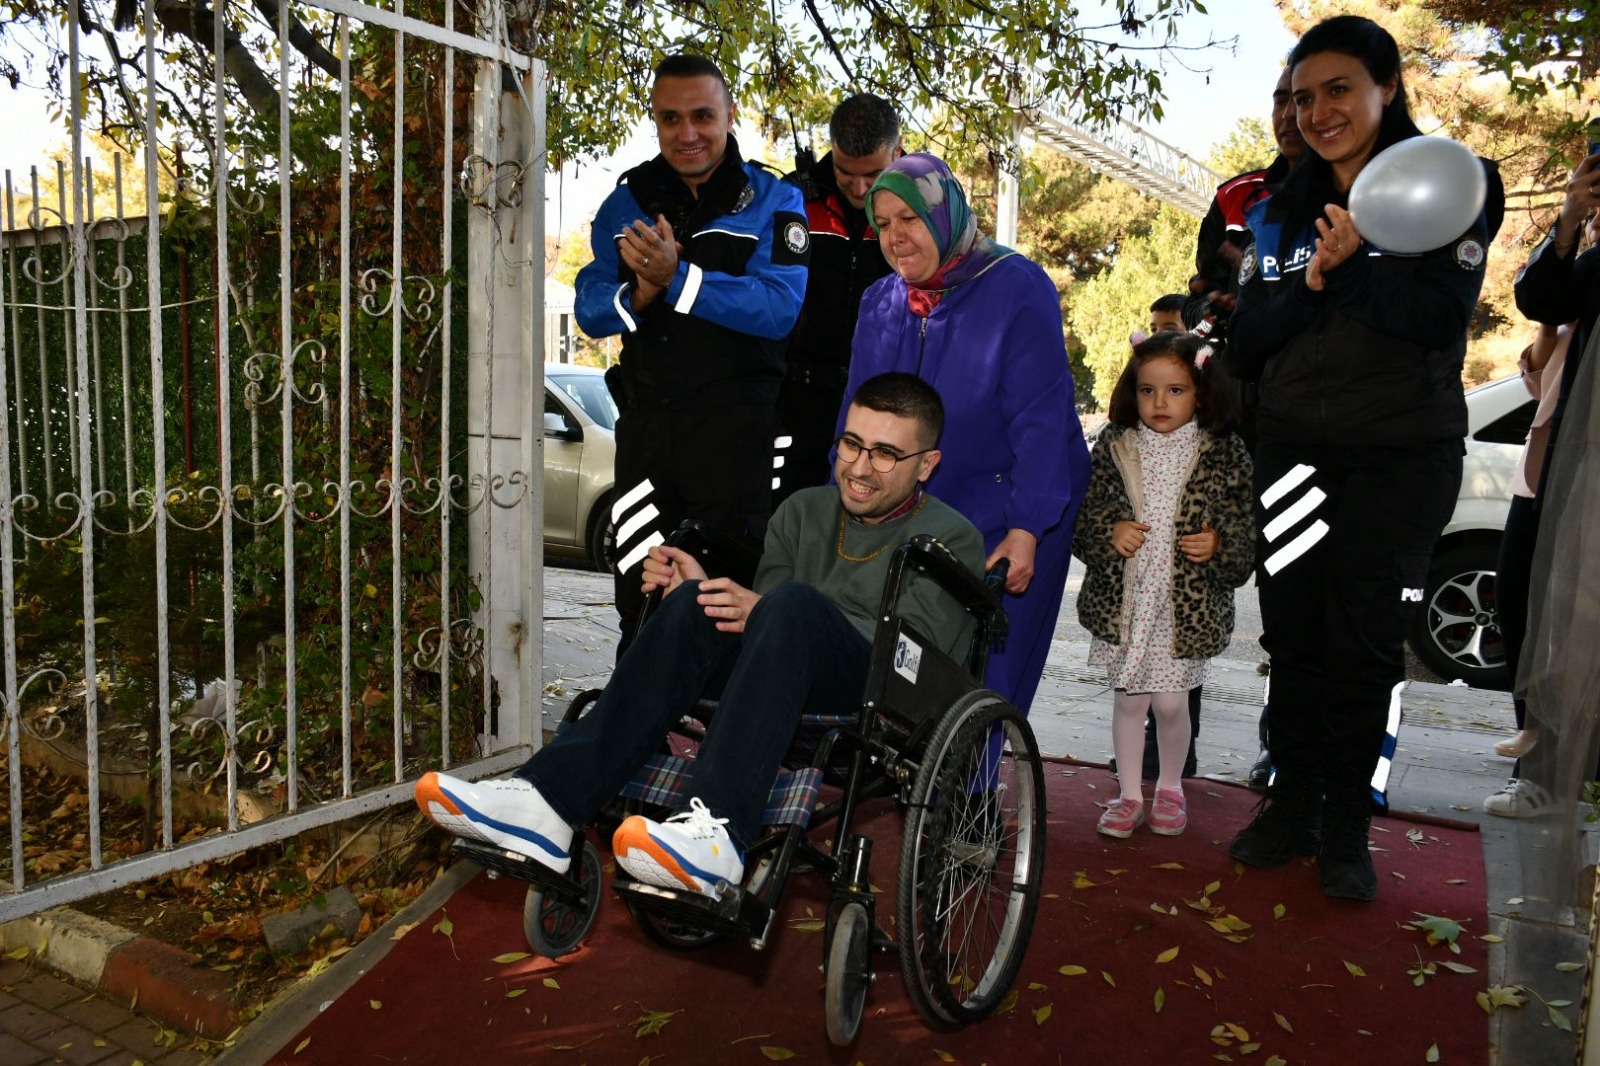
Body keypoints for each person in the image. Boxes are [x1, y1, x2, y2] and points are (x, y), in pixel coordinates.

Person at [415, 373, 984, 897]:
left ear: (926, 463)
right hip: (781, 674)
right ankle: (547, 804)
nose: (860, 467)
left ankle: (719, 836)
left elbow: (915, 655)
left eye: (886, 454)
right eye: (853, 445)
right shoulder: (803, 511)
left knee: (792, 604)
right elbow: (758, 627)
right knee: (693, 599)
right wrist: (708, 592)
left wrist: (771, 609)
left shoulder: (951, 540)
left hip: (873, 690)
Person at [1221, 15, 1504, 901]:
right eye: (1303, 97)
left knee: (1367, 643)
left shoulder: (1456, 183)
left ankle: (1347, 819)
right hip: (1294, 454)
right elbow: (1246, 343)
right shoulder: (1276, 205)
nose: (1318, 111)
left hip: (1398, 460)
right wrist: (1314, 279)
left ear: (1388, 85)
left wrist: (1349, 275)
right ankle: (1289, 797)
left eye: (1338, 89)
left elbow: (1435, 320)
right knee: (1296, 633)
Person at [574, 54, 811, 654]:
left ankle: (726, 734)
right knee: (640, 583)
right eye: (670, 118)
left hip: (739, 438)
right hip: (648, 431)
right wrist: (643, 291)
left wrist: (676, 280)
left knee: (729, 592)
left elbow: (779, 306)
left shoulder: (774, 198)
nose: (687, 134)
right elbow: (591, 309)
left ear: (730, 115)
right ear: (655, 122)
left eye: (702, 115)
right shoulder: (624, 203)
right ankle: (638, 727)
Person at [842, 152, 1091, 715]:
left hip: (1016, 498)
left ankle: (972, 787)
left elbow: (1042, 419)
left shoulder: (1015, 286)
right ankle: (916, 773)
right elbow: (855, 414)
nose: (895, 237)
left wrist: (1028, 527)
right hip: (924, 497)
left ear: (943, 213)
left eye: (909, 218)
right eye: (881, 224)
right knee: (911, 648)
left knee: (987, 656)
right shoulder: (880, 301)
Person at [1074, 333, 1255, 838]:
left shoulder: (1224, 451)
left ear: (1201, 391)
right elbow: (1088, 513)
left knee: (1171, 703)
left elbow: (1242, 526)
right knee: (1130, 698)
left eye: (1175, 390)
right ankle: (1129, 793)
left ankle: (1170, 785)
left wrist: (1217, 545)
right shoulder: (1116, 442)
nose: (1159, 402)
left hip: (1183, 605)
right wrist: (1111, 529)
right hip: (1127, 598)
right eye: (1148, 390)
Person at [773, 93, 903, 505]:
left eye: (874, 175)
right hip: (795, 403)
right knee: (787, 526)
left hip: (885, 405)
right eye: (847, 173)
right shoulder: (793, 200)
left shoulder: (926, 207)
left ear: (897, 153)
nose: (861, 189)